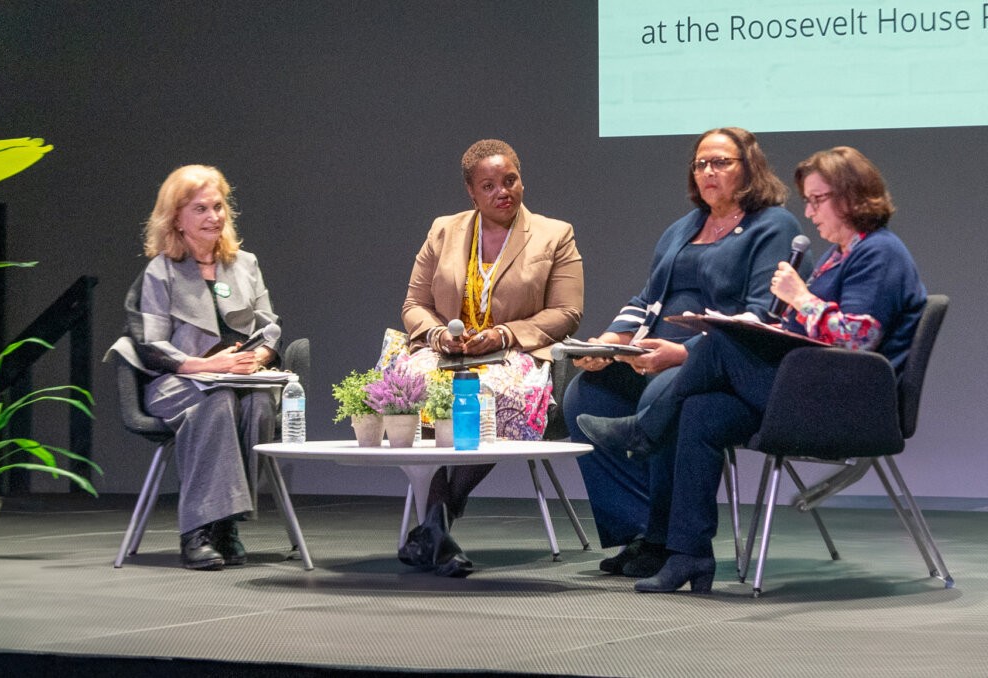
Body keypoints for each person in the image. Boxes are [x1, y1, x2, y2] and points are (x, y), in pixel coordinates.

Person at [578, 146, 927, 594]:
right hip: (809, 389)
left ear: (851, 198)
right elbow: (807, 332)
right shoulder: (839, 256)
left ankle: (642, 431)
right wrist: (763, 326)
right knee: (701, 410)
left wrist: (799, 298)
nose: (809, 211)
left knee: (720, 343)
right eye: (808, 199)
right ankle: (690, 555)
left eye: (818, 200)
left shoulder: (879, 253)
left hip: (848, 404)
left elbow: (858, 339)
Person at [562, 127, 807, 580]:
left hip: (727, 363)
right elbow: (645, 299)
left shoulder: (773, 226)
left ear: (749, 168)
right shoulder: (682, 229)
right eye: (701, 164)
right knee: (586, 394)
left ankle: (663, 535)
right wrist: (611, 341)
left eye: (721, 163)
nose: (708, 172)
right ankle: (641, 532)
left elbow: (760, 318)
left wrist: (682, 353)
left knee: (665, 391)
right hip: (653, 351)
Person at [397, 139, 584, 576]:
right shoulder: (444, 230)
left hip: (512, 355)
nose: (503, 191)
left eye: (510, 180)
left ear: (521, 179)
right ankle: (435, 532)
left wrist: (504, 334)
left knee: (486, 396)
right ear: (471, 192)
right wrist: (439, 333)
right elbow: (414, 304)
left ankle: (433, 528)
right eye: (489, 185)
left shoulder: (555, 234)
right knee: (407, 392)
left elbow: (567, 312)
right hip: (446, 353)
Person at [112, 165, 280, 571]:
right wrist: (204, 365)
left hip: (239, 378)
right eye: (201, 209)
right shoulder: (160, 272)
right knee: (216, 401)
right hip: (176, 382)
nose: (214, 217)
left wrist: (257, 358)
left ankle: (225, 524)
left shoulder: (246, 264)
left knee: (256, 405)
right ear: (177, 219)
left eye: (219, 207)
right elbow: (150, 344)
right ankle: (198, 530)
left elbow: (269, 325)